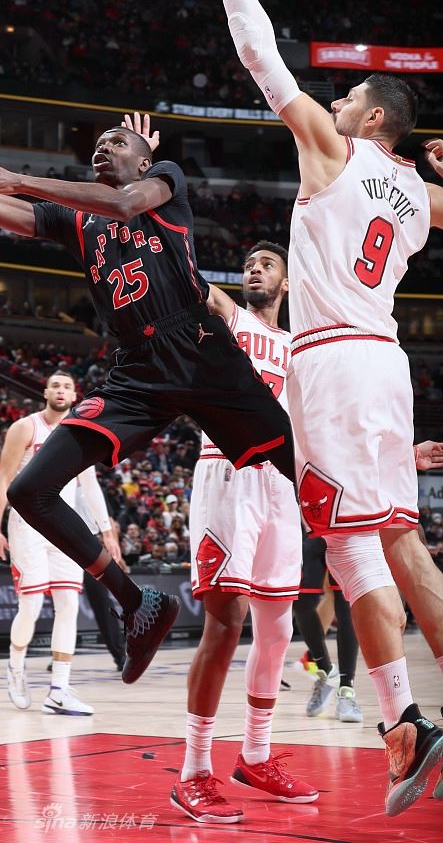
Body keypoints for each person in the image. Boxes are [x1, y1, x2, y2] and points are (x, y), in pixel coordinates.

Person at [0, 96, 296, 686]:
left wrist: (19, 178)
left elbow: (126, 202)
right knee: (30, 490)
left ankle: (374, 559)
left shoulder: (165, 183)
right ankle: (138, 602)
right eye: (97, 143)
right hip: (137, 371)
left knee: (302, 471)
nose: (103, 146)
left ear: (145, 158)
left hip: (199, 349)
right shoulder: (77, 222)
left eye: (117, 141)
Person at [207, 0, 443, 816]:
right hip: (387, 362)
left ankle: (404, 724)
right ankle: (405, 724)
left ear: (373, 118)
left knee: (348, 553)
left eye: (348, 96)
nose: (335, 101)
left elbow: (261, 59)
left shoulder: (333, 150)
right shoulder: (418, 198)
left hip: (333, 360)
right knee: (401, 543)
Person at [172, 241, 317, 823]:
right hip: (228, 473)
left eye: (267, 264)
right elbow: (192, 284)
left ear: (287, 281)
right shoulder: (231, 319)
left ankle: (255, 755)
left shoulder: (299, 347)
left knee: (278, 629)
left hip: (281, 483)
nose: (255, 269)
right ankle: (193, 771)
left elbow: (318, 426)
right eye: (249, 265)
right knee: (226, 623)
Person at [0, 371, 121, 715]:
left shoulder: (82, 433)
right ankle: (15, 668)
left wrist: (106, 531)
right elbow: (4, 479)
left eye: (67, 387)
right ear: (46, 392)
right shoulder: (25, 428)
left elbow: (89, 485)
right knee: (31, 606)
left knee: (68, 605)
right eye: (55, 386)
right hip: (28, 524)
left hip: (65, 525)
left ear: (75, 396)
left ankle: (59, 690)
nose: (61, 391)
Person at [294, 538, 362, 723]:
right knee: (301, 602)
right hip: (311, 531)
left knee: (345, 605)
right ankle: (326, 669)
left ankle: (346, 689)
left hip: (343, 532)